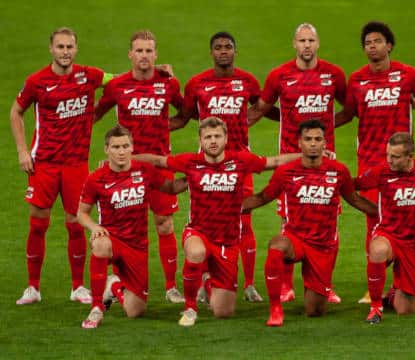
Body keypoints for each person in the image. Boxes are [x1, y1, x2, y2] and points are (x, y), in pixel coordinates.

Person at [335, 21, 415, 304]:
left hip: (403, 162)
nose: (372, 46)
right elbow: (346, 115)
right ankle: (375, 288)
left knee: (410, 216)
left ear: (389, 45)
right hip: (370, 161)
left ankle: (409, 285)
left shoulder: (407, 74)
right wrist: (313, 128)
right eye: (368, 43)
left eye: (377, 41)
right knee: (375, 220)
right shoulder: (357, 79)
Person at [134, 117, 301, 326]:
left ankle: (209, 283)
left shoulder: (241, 160)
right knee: (196, 253)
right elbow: (158, 161)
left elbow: (274, 161)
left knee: (223, 312)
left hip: (228, 242)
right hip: (198, 232)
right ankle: (190, 308)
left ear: (226, 138)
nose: (213, 141)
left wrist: (306, 155)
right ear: (201, 140)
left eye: (217, 136)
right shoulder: (190, 161)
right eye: (208, 137)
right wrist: (126, 159)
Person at [10, 27, 114, 305]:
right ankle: (32, 287)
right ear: (51, 49)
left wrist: (155, 71)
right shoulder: (37, 81)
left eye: (69, 47)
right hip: (43, 163)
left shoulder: (89, 75)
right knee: (37, 224)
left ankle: (78, 287)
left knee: (75, 224)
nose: (65, 52)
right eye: (60, 47)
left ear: (76, 49)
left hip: (76, 165)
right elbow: (15, 111)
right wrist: (22, 151)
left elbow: (118, 81)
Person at [242, 119, 378, 327]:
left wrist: (383, 214)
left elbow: (356, 200)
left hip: (323, 246)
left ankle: (313, 287)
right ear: (299, 143)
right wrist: (233, 207)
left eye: (317, 139)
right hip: (295, 238)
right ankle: (275, 309)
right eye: (308, 139)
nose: (313, 144)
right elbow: (262, 198)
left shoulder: (338, 171)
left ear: (325, 143)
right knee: (277, 247)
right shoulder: (286, 172)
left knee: (315, 311)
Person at [248, 23, 347, 304]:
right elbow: (262, 108)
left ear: (318, 44)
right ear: (294, 44)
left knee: (329, 222)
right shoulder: (280, 75)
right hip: (289, 161)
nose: (306, 45)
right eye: (302, 40)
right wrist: (236, 129)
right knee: (289, 222)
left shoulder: (333, 74)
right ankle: (286, 286)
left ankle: (324, 285)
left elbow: (350, 108)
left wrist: (327, 126)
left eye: (311, 40)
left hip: (324, 161)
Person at [94, 30, 185, 303]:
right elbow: (94, 115)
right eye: (139, 51)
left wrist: (165, 126)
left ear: (155, 55)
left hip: (159, 164)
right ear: (130, 55)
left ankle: (170, 286)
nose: (144, 55)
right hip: (125, 167)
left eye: (149, 51)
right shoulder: (117, 86)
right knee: (123, 228)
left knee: (165, 223)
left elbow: (185, 113)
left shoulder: (169, 84)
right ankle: (115, 279)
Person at [175, 31, 264, 302]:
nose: (223, 51)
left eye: (228, 47)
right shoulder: (197, 83)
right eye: (218, 47)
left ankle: (248, 284)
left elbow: (260, 105)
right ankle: (204, 281)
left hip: (240, 163)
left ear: (235, 51)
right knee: (204, 225)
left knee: (243, 221)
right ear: (211, 52)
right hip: (206, 165)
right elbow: (185, 116)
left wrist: (243, 121)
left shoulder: (247, 81)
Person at [77, 125, 188, 328]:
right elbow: (81, 213)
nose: (121, 151)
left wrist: (193, 176)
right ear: (106, 149)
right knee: (100, 244)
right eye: (116, 147)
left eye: (125, 146)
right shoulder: (96, 178)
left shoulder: (144, 170)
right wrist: (94, 227)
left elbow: (171, 188)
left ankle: (114, 286)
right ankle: (96, 308)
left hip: (137, 246)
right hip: (112, 239)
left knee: (135, 311)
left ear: (132, 147)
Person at [355, 132, 415, 324]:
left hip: (414, 244)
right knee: (378, 250)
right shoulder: (381, 171)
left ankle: (394, 291)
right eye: (387, 154)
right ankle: (376, 307)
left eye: (395, 157)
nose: (389, 160)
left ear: (410, 157)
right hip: (388, 234)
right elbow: (353, 185)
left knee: (405, 310)